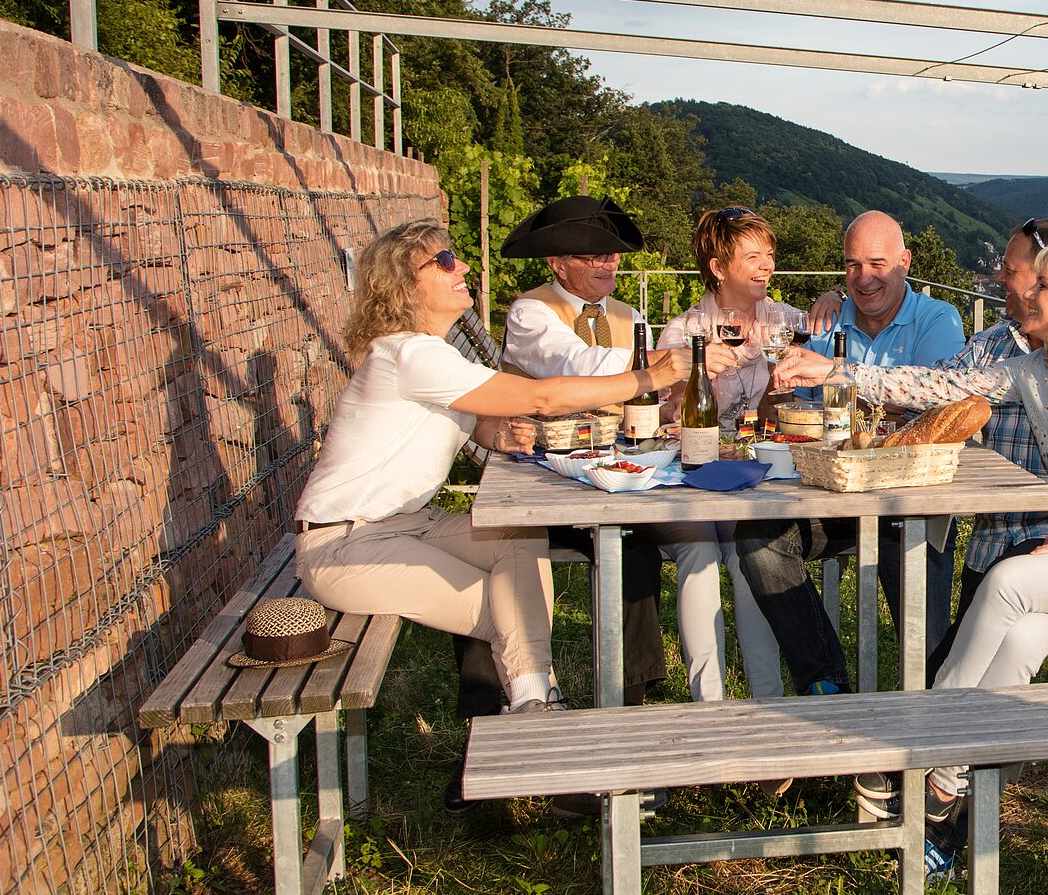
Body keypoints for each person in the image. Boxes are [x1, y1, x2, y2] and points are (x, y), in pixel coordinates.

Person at [772, 244, 1048, 828]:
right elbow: (935, 387)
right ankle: (947, 798)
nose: (1025, 293)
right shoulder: (1035, 371)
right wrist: (837, 371)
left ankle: (921, 743)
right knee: (1020, 642)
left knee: (1006, 582)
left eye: (1041, 286)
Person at [293, 219, 689, 725]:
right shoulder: (409, 353)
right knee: (514, 617)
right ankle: (539, 709)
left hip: (408, 523)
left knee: (519, 535)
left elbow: (460, 416)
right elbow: (542, 396)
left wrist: (494, 435)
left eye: (454, 255)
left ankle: (533, 702)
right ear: (403, 283)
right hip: (344, 545)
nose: (461, 267)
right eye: (442, 262)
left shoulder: (430, 353)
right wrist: (646, 377)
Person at [805, 214, 1048, 675]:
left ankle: (967, 734)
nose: (998, 277)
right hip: (996, 541)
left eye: (1010, 269)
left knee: (973, 662)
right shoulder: (999, 350)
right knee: (957, 663)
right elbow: (934, 387)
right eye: (853, 265)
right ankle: (962, 730)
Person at [450, 196, 671, 741]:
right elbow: (574, 365)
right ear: (557, 263)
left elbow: (653, 403)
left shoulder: (630, 317)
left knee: (634, 547)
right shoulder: (531, 312)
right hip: (534, 471)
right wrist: (662, 367)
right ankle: (484, 727)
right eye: (592, 255)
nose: (608, 265)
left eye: (613, 256)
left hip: (609, 470)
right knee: (497, 548)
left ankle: (628, 709)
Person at [733, 211, 967, 694]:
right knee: (759, 538)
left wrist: (840, 387)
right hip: (832, 498)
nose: (864, 278)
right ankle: (826, 682)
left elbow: (935, 407)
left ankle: (928, 726)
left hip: (907, 504)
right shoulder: (827, 320)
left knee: (927, 646)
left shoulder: (936, 318)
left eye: (877, 263)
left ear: (905, 262)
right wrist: (778, 388)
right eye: (852, 266)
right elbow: (786, 413)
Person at [651, 205, 800, 698]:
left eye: (769, 254)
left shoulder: (783, 322)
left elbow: (834, 325)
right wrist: (699, 378)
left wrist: (832, 295)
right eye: (753, 256)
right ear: (718, 267)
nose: (767, 266)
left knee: (749, 553)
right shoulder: (685, 333)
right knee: (700, 553)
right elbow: (669, 417)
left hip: (758, 472)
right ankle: (709, 704)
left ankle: (768, 700)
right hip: (694, 471)